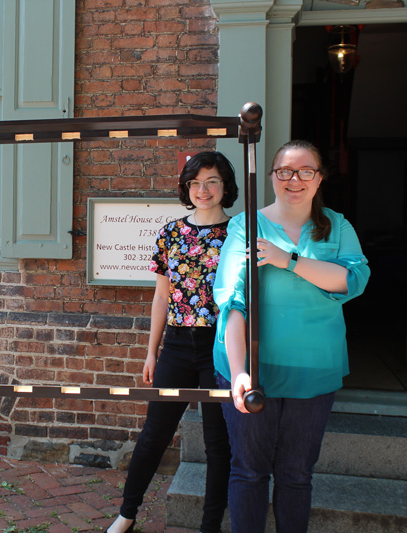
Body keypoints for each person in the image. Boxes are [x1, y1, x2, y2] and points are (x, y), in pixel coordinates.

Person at [212, 140, 370, 532]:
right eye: (284, 170)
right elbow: (232, 301)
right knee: (248, 471)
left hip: (313, 371)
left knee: (296, 474)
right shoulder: (245, 225)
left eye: (305, 171)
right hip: (253, 371)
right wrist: (238, 372)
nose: (293, 179)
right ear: (271, 176)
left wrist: (288, 260)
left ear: (319, 179)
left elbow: (352, 279)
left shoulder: (338, 226)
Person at [107, 151, 238, 533]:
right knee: (154, 434)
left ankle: (209, 526)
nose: (203, 189)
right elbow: (161, 296)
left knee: (218, 444)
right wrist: (152, 351)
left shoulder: (240, 234)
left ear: (225, 186)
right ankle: (126, 514)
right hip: (178, 346)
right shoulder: (170, 232)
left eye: (212, 181)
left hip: (221, 346)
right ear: (186, 187)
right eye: (195, 182)